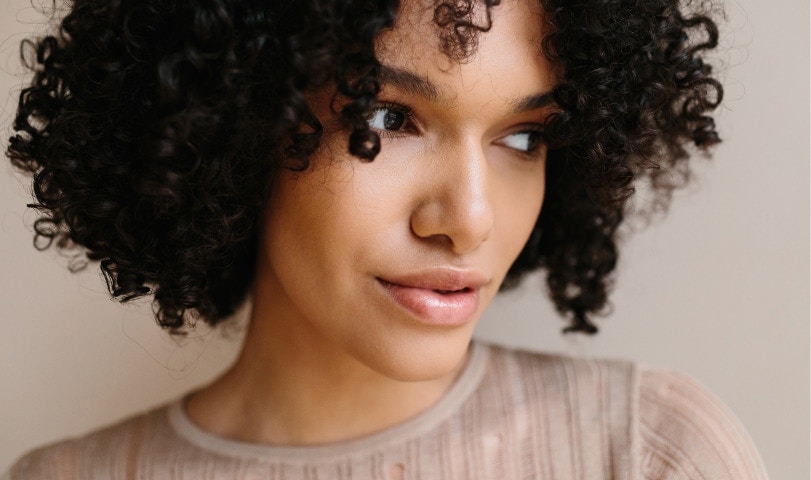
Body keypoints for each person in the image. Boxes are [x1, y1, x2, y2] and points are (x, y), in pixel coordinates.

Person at [3, 0, 769, 478]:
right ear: (234, 126)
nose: (469, 219)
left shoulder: (649, 452)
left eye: (523, 137)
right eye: (383, 120)